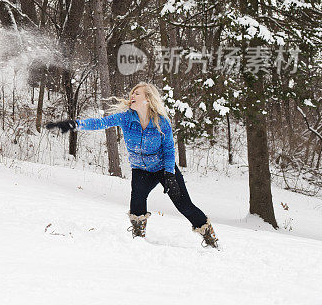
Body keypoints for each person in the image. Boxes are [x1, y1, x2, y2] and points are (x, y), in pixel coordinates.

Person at [46, 82, 218, 248]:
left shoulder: (161, 122)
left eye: (137, 93)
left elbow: (169, 149)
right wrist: (75, 124)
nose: (132, 95)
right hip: (140, 169)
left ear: (148, 99)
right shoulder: (126, 118)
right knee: (136, 204)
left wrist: (170, 174)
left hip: (162, 168)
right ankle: (138, 241)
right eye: (132, 93)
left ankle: (209, 236)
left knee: (184, 205)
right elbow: (100, 123)